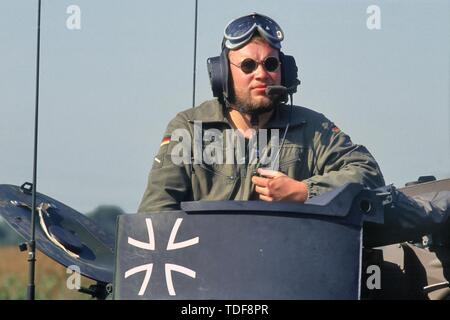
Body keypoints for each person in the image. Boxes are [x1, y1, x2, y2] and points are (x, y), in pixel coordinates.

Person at [138, 13, 385, 213]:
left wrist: (304, 192)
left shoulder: (312, 128)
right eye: (247, 65)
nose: (261, 74)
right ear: (223, 74)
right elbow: (156, 213)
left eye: (270, 64)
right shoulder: (190, 128)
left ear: (284, 71)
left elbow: (368, 174)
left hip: (287, 266)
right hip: (207, 267)